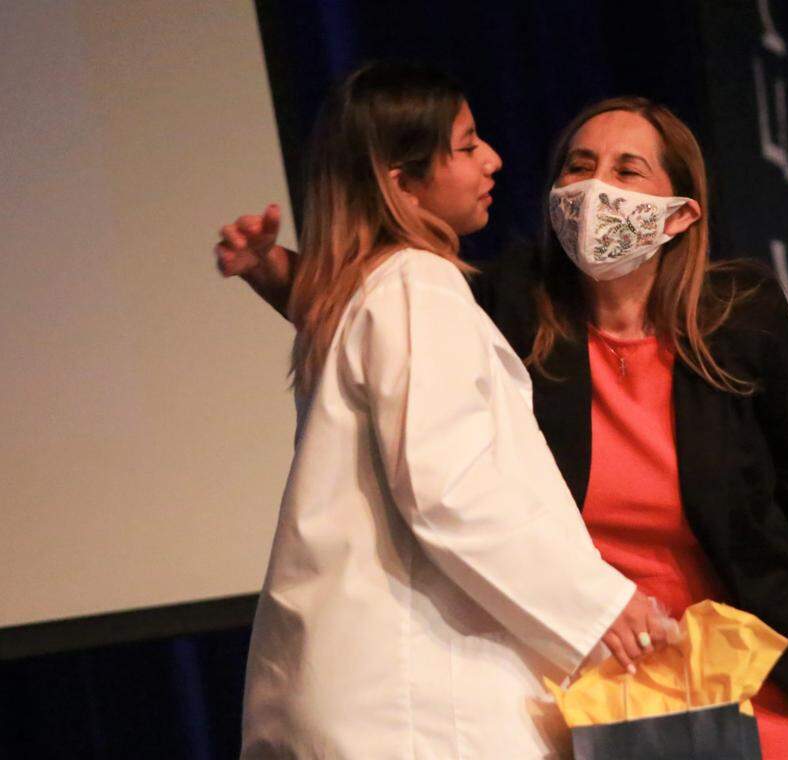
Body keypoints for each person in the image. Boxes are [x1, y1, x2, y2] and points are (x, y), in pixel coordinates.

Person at [220, 94, 788, 760]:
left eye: (627, 171)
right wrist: (273, 271)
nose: (596, 188)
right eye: (579, 166)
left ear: (680, 213)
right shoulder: (513, 304)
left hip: (749, 666)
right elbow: (384, 323)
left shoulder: (741, 315)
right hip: (604, 682)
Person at [233, 62, 669, 760]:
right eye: (466, 146)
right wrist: (599, 606)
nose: (491, 159)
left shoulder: (369, 292)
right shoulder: (417, 284)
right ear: (402, 183)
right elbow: (449, 488)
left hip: (366, 695)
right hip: (415, 707)